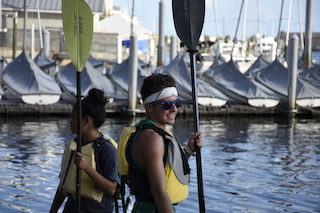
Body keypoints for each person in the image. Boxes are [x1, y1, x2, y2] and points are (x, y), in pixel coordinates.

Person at [117, 73, 204, 213]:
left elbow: (167, 168)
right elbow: (158, 191)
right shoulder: (152, 139)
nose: (174, 109)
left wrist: (188, 150)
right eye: (167, 105)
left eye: (177, 103)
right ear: (149, 107)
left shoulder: (152, 134)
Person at [50, 88, 119, 213]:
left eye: (75, 117)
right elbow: (63, 185)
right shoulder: (74, 146)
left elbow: (112, 189)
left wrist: (87, 168)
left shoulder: (106, 149)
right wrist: (53, 210)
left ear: (86, 121)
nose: (70, 122)